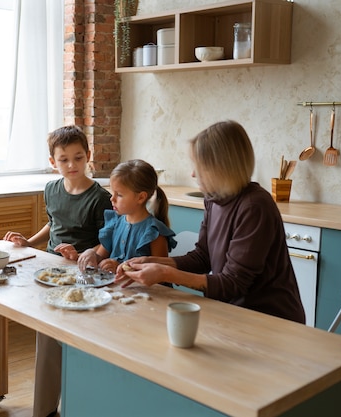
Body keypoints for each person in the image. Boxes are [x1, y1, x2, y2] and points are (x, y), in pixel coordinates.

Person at [115, 120, 305, 324]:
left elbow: (233, 282)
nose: (193, 174)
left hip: (270, 319)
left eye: (199, 167)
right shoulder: (214, 200)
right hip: (232, 313)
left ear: (221, 168)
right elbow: (202, 257)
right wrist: (151, 261)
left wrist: (165, 273)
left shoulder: (255, 206)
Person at [3, 125, 112, 417]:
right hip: (50, 270)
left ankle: (60, 406)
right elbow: (54, 224)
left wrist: (83, 257)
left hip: (84, 275)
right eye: (64, 159)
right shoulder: (51, 189)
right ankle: (48, 408)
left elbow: (108, 242)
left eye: (78, 158)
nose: (72, 165)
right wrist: (29, 241)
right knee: (48, 335)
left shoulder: (100, 198)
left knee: (64, 341)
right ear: (53, 162)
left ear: (88, 156)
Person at [77, 159, 176, 273]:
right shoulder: (115, 222)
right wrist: (89, 254)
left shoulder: (154, 233)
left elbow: (160, 276)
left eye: (119, 195)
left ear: (141, 197)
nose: (112, 198)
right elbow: (100, 256)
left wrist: (122, 269)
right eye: (112, 192)